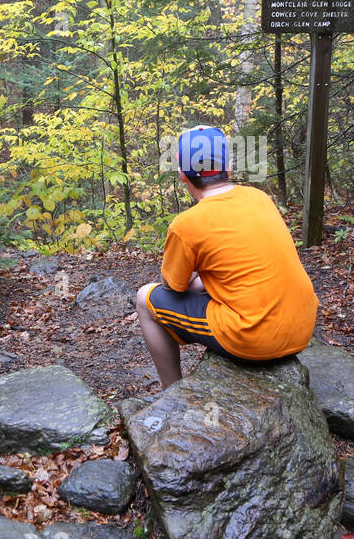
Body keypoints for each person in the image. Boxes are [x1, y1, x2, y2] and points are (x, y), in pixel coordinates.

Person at [136, 125, 318, 388]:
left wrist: (198, 278)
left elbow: (173, 286)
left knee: (144, 298)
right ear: (229, 169)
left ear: (182, 175)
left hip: (253, 337)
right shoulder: (260, 198)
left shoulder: (187, 224)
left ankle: (171, 390)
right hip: (302, 327)